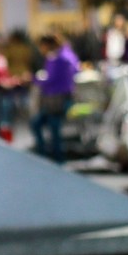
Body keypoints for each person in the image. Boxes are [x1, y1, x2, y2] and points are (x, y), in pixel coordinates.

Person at [30, 33, 81, 164]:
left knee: (50, 128)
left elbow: (50, 79)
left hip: (55, 100)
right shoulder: (68, 55)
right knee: (50, 128)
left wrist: (33, 79)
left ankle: (51, 157)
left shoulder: (56, 58)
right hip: (64, 97)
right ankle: (54, 157)